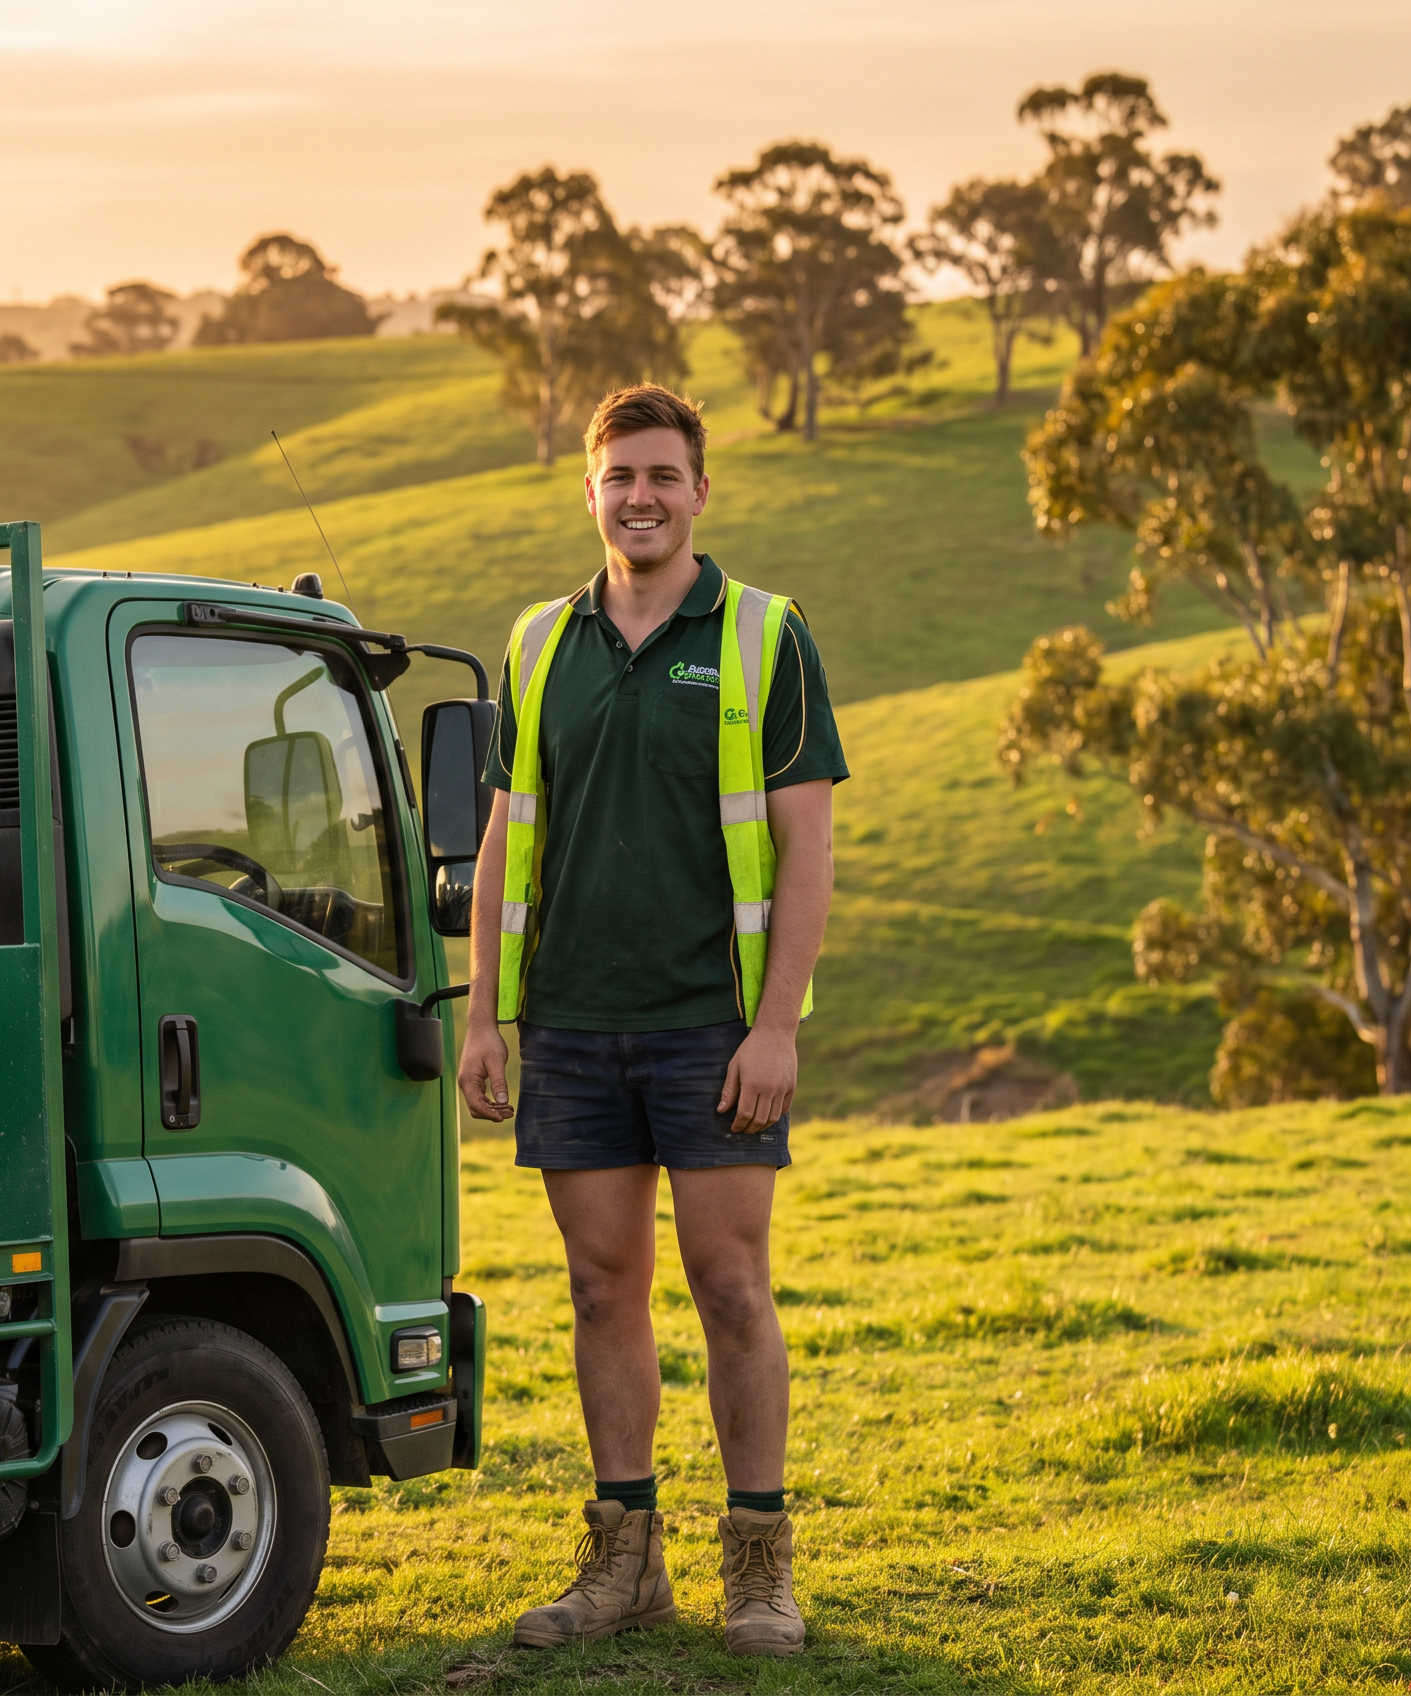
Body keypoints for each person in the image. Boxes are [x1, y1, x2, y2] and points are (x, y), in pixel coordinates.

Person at [460, 384, 845, 1657]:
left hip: (711, 1028)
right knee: (595, 1286)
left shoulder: (764, 635)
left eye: (662, 474)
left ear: (698, 491)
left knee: (730, 1286)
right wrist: (483, 1016)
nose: (639, 495)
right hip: (569, 1024)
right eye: (618, 474)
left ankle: (759, 1568)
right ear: (588, 490)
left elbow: (804, 849)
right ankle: (624, 1567)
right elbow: (505, 833)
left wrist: (775, 1026)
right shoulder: (534, 644)